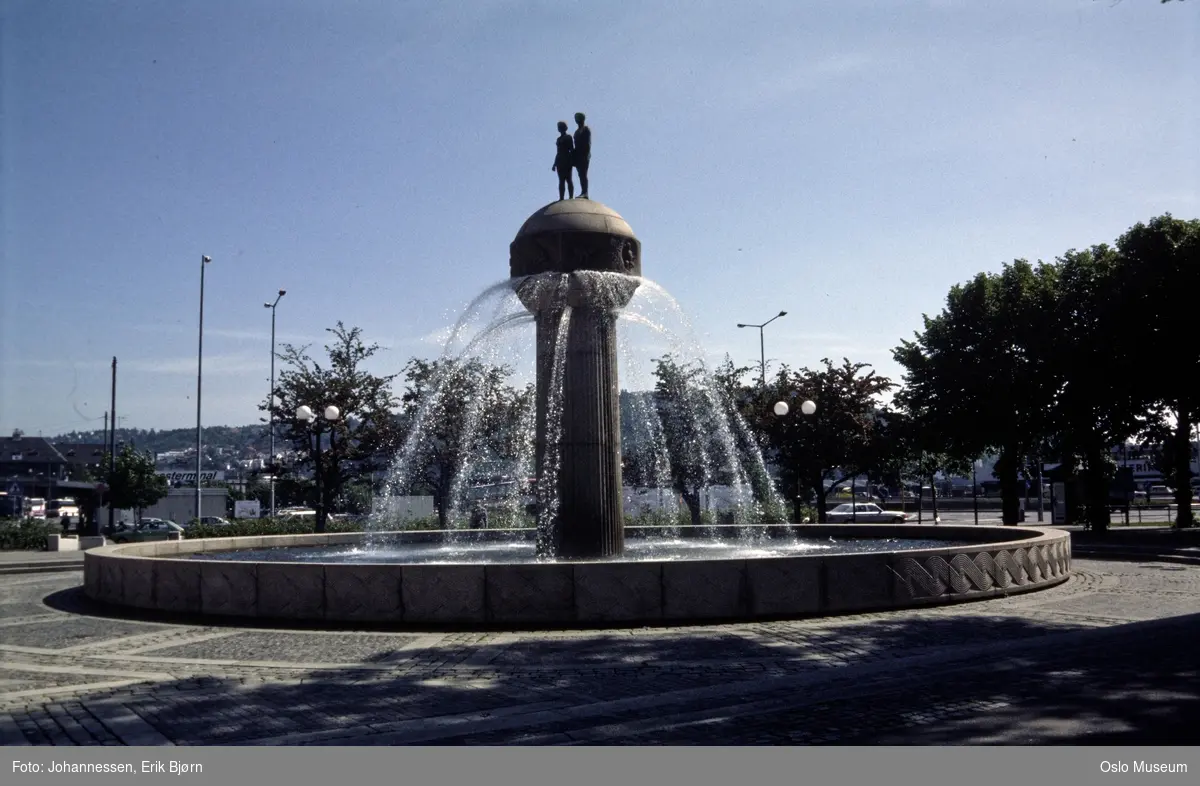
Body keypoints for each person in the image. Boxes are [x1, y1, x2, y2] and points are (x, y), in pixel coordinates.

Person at [551, 121, 575, 200]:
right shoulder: (558, 139)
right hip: (560, 161)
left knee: (568, 179)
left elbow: (572, 150)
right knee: (561, 181)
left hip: (567, 160)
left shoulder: (568, 137)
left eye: (560, 127)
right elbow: (558, 152)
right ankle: (561, 197)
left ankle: (571, 196)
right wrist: (554, 164)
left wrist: (572, 161)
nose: (559, 128)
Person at [572, 112, 591, 198]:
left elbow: (588, 143)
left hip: (584, 155)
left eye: (578, 119)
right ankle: (583, 191)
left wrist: (586, 154)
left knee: (583, 174)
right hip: (578, 155)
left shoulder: (586, 129)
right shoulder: (576, 132)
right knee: (580, 174)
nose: (577, 120)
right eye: (576, 119)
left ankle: (585, 192)